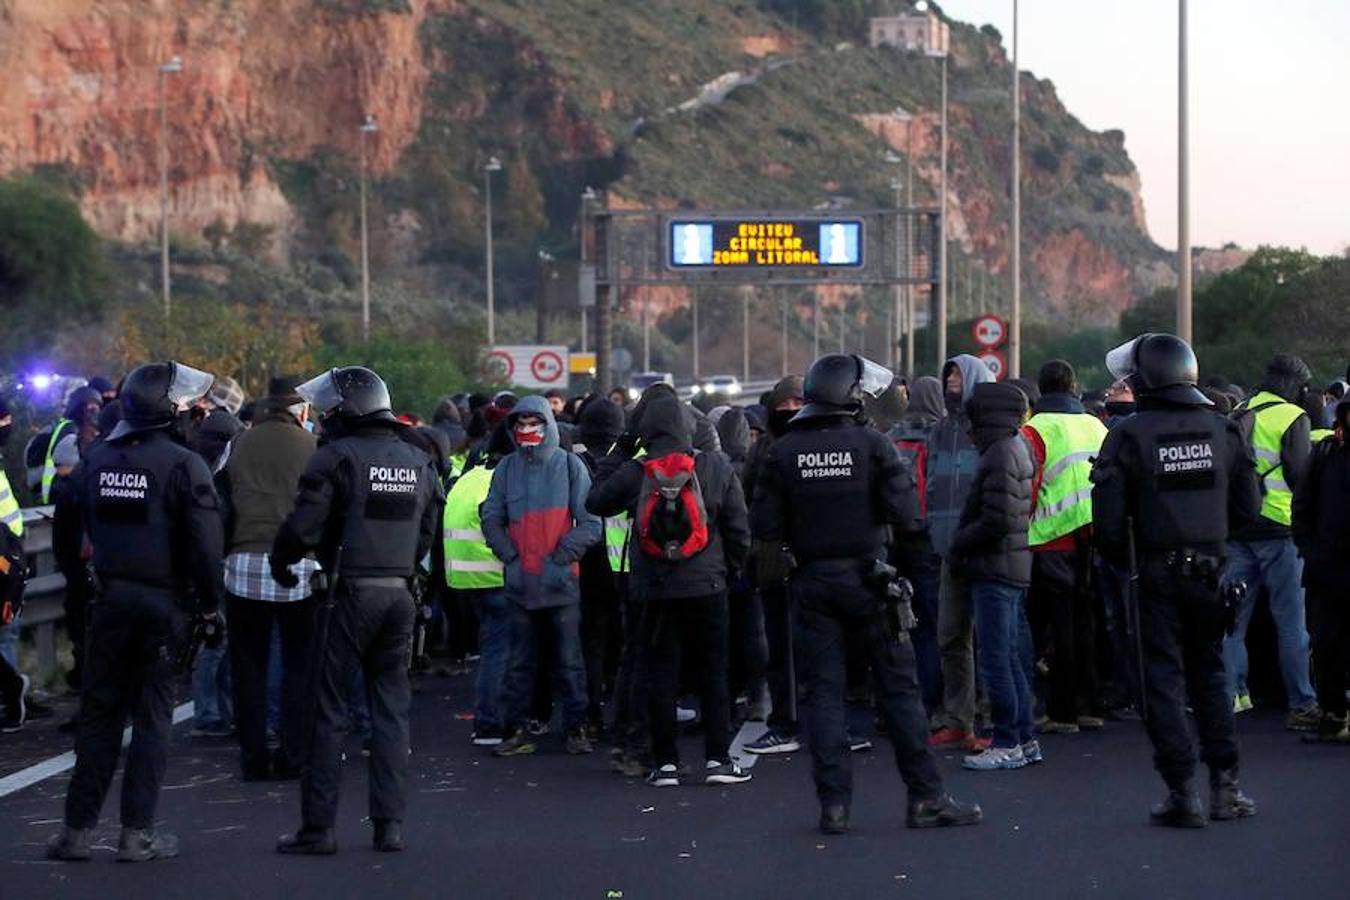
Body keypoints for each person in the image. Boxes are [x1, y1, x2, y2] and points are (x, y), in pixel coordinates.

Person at [752, 354, 982, 834]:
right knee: (899, 690)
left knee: (824, 695)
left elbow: (766, 525)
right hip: (873, 580)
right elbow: (908, 517)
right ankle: (926, 796)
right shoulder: (874, 445)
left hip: (813, 583)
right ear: (853, 395)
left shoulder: (784, 450)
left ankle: (833, 806)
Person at [46, 361, 224, 862]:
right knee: (151, 719)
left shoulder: (97, 457)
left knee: (99, 716)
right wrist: (211, 607)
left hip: (109, 601)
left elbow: (64, 524)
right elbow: (207, 547)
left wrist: (81, 581)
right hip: (164, 605)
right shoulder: (185, 466)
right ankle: (135, 834)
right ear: (169, 410)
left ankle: (75, 833)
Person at [1090, 333, 1261, 827]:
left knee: (1161, 680)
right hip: (1213, 573)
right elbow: (1247, 510)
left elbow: (1106, 525)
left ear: (1146, 379)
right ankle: (1226, 789)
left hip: (1154, 573)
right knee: (1210, 674)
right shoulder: (1224, 430)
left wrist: (1132, 557)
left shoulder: (1127, 435)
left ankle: (1182, 793)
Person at [271, 367, 443, 855]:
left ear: (348, 409)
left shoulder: (336, 458)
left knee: (329, 711)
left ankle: (318, 829)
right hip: (400, 595)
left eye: (329, 410)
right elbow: (428, 529)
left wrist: (281, 562)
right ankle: (389, 826)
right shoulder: (419, 460)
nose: (324, 419)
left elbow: (303, 527)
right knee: (391, 711)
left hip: (348, 594)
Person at [587, 386, 753, 787]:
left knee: (661, 673)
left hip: (652, 588)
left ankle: (666, 764)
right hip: (707, 585)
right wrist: (728, 571)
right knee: (713, 672)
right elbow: (737, 528)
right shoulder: (713, 466)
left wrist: (622, 452)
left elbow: (595, 502)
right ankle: (717, 759)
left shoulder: (637, 470)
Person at [482, 396, 602, 757]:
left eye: (534, 423)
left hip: (560, 585)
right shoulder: (506, 469)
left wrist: (562, 557)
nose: (526, 430)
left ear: (547, 425)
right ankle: (517, 728)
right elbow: (491, 518)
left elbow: (591, 521)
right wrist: (512, 556)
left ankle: (576, 727)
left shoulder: (569, 467)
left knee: (569, 662)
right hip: (522, 585)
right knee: (521, 664)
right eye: (520, 423)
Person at [216, 376, 318, 780]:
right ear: (301, 410)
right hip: (301, 567)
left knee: (248, 668)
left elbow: (220, 496)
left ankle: (254, 757)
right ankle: (294, 755)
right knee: (300, 667)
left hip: (243, 564)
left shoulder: (239, 442)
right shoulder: (314, 447)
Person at [1223, 354, 1319, 728]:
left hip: (1237, 530)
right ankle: (1301, 702)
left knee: (1232, 621)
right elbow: (1301, 477)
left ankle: (1230, 696)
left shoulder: (1238, 412)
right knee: (1292, 622)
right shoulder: (1294, 417)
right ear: (1292, 384)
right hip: (1281, 531)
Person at [954, 383, 1038, 770]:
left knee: (995, 661)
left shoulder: (999, 454)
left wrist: (960, 543)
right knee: (1010, 657)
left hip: (995, 567)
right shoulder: (1016, 446)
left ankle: (1006, 740)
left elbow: (997, 519)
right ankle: (1024, 737)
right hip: (1014, 565)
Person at [1023, 361, 1109, 734]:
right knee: (1087, 621)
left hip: (1049, 537)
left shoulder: (1035, 428)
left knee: (1058, 628)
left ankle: (1062, 712)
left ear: (1041, 390)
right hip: (1093, 536)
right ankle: (1091, 705)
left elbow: (1028, 486)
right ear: (1074, 387)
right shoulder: (1095, 424)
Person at [926, 354, 994, 751]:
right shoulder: (940, 431)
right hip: (947, 549)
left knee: (990, 638)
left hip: (983, 548)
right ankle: (958, 717)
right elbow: (932, 485)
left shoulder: (987, 431)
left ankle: (991, 717)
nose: (951, 379)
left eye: (957, 373)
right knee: (951, 636)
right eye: (947, 373)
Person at [743, 376, 807, 755]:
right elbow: (751, 500)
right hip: (772, 560)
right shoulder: (763, 450)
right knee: (780, 645)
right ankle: (784, 720)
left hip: (813, 558)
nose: (791, 412)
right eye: (784, 406)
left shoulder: (820, 443)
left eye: (798, 403)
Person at [443, 423, 515, 746]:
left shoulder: (470, 476)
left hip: (465, 577)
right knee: (500, 651)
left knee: (491, 648)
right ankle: (489, 722)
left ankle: (489, 718)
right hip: (495, 573)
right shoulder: (502, 481)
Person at [1291, 397, 1350, 742]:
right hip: (1326, 568)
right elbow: (1303, 503)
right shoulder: (1326, 454)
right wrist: (1309, 549)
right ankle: (1333, 714)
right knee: (1326, 643)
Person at [888, 375, 945, 714]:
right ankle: (933, 700)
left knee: (896, 623)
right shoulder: (944, 437)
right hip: (931, 539)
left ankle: (896, 701)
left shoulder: (891, 437)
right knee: (933, 622)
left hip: (895, 539)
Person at [0, 396, 31, 733]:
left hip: (5, 561)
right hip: (10, 557)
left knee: (6, 634)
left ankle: (10, 693)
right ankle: (11, 691)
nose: (7, 426)